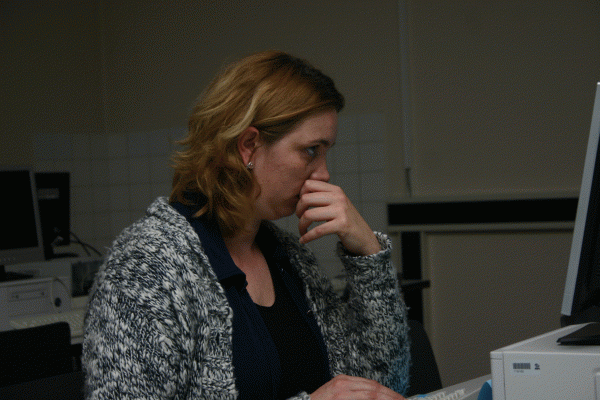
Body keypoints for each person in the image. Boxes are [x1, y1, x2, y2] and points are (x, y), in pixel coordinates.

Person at [82, 50, 410, 400]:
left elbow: (383, 386)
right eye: (311, 150)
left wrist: (368, 254)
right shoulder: (146, 265)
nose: (324, 174)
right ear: (249, 146)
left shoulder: (290, 258)